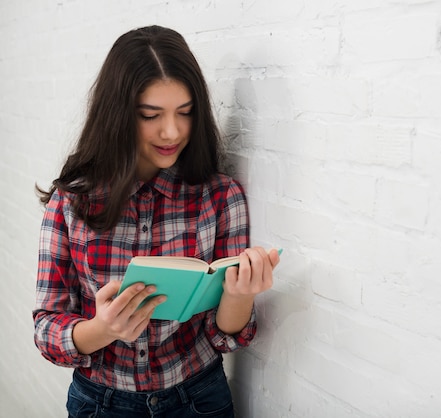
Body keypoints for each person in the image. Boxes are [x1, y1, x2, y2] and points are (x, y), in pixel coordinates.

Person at [33, 25, 280, 418]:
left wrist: (240, 294)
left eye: (185, 113)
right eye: (151, 115)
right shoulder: (72, 200)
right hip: (101, 403)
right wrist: (104, 329)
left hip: (199, 399)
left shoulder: (220, 196)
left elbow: (226, 336)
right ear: (117, 115)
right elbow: (47, 329)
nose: (172, 131)